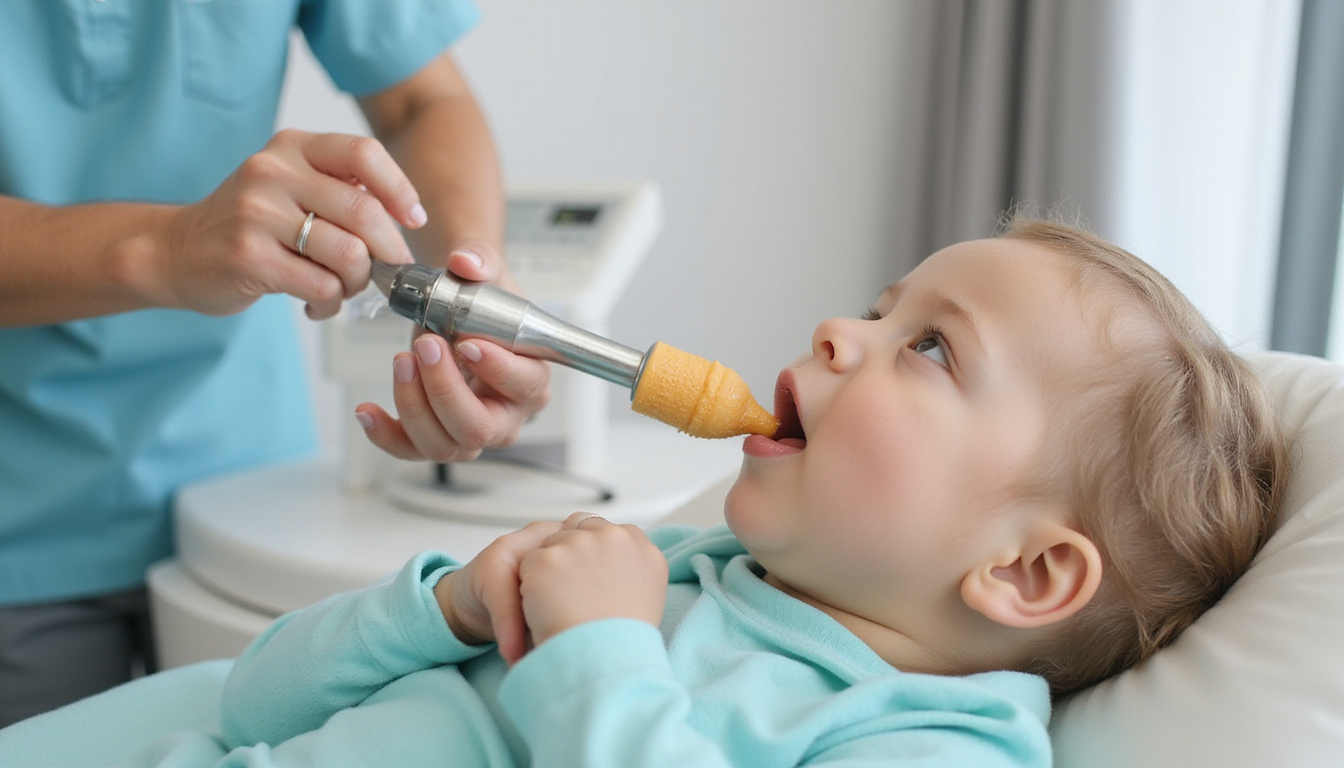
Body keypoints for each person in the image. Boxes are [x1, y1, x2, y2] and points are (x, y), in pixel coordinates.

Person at [0, 217, 1289, 766]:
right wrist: (440, 609)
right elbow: (254, 701)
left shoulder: (928, 739)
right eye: (882, 305)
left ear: (1025, 569)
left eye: (932, 349)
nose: (839, 330)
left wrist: (600, 655)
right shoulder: (675, 569)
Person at [0, 1, 551, 727]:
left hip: (249, 484)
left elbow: (421, 99)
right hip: (22, 518)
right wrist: (168, 247)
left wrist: (471, 279)